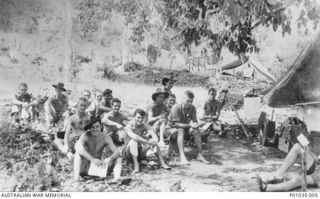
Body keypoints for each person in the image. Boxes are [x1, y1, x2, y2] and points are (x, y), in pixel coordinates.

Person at [74, 116, 123, 182]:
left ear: (101, 126)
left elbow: (116, 152)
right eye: (92, 127)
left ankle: (117, 177)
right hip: (86, 166)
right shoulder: (85, 135)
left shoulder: (105, 137)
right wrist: (92, 159)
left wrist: (109, 159)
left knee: (118, 158)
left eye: (97, 127)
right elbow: (77, 147)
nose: (95, 129)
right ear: (89, 128)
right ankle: (76, 178)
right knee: (77, 154)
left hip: (98, 165)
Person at [166, 90, 209, 165]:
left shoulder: (192, 108)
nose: (190, 104)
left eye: (191, 101)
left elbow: (195, 121)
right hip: (170, 130)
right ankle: (182, 157)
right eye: (188, 101)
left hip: (183, 129)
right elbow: (175, 124)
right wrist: (190, 125)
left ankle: (199, 154)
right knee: (181, 130)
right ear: (182, 100)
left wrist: (196, 125)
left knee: (196, 130)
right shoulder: (176, 107)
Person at [123, 109, 171, 173]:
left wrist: (153, 141)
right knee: (134, 141)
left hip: (139, 153)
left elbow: (153, 134)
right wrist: (148, 142)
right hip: (128, 154)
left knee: (153, 141)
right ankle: (136, 166)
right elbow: (135, 137)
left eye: (142, 118)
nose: (140, 120)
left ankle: (162, 163)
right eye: (138, 117)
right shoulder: (128, 126)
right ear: (134, 117)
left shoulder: (144, 125)